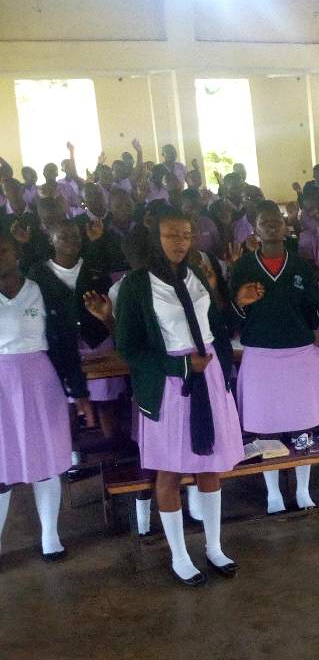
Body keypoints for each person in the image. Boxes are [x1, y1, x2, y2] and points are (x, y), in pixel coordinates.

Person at [115, 206, 244, 586]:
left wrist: (236, 309)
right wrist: (180, 366)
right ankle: (180, 555)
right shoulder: (138, 285)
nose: (180, 242)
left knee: (209, 465)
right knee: (169, 469)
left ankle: (214, 547)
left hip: (208, 375)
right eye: (171, 235)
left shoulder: (196, 275)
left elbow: (214, 325)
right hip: (170, 384)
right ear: (155, 238)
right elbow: (129, 348)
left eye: (186, 235)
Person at [230, 202, 319, 515]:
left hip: (298, 355)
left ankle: (302, 490)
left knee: (302, 428)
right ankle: (274, 494)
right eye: (264, 221)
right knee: (265, 428)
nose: (271, 225)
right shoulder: (243, 267)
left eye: (276, 220)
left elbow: (314, 318)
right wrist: (240, 303)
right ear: (255, 229)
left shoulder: (300, 266)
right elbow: (231, 319)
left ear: (285, 226)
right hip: (261, 356)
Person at [0, 233, 93, 561]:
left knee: (46, 459)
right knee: (2, 467)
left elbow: (66, 344)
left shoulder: (43, 290)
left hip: (40, 380)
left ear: (16, 252)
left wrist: (79, 392)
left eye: (3, 249)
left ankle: (50, 536)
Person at [26, 219, 124, 442]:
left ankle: (112, 447)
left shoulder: (95, 268)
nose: (71, 240)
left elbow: (108, 302)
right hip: (60, 346)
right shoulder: (38, 272)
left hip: (96, 341)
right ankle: (68, 453)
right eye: (64, 237)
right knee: (67, 404)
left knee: (106, 400)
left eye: (75, 236)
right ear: (51, 240)